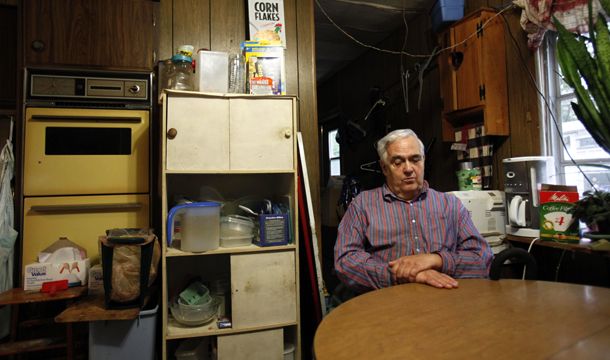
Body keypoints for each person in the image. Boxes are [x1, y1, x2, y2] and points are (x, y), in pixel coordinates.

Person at [333, 128, 493, 297]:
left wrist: (437, 260)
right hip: (385, 304)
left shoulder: (450, 204)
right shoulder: (362, 205)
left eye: (415, 160)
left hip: (443, 303)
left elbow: (483, 259)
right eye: (398, 162)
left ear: (423, 160)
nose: (408, 169)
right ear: (384, 167)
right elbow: (345, 261)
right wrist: (406, 276)